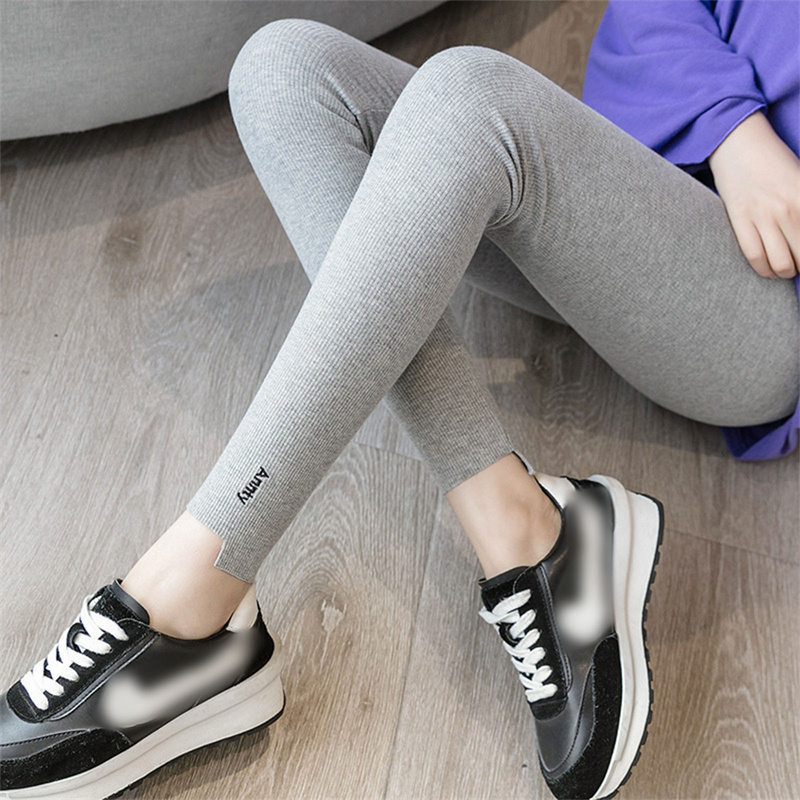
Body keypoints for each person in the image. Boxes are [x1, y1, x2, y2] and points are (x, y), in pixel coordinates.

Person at [1, 1, 797, 799]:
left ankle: (186, 595)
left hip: (766, 298)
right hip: (651, 180)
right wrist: (729, 127)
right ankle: (520, 521)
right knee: (284, 71)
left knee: (473, 94)